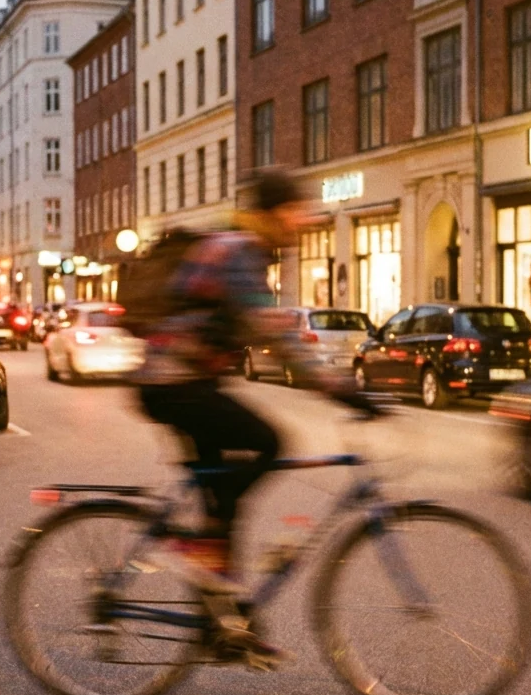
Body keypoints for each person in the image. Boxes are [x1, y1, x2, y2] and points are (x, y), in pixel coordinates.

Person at [132, 171, 378, 664]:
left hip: (181, 383)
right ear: (272, 214)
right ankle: (199, 558)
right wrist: (339, 390)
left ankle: (224, 622)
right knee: (268, 441)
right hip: (174, 385)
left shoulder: (242, 248)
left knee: (224, 504)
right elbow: (276, 334)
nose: (304, 220)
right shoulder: (241, 251)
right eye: (296, 210)